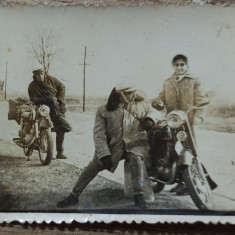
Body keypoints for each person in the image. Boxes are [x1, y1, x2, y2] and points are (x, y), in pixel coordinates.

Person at [57, 84, 162, 209]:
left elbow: (154, 112)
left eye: (134, 92)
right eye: (130, 93)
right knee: (92, 167)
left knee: (136, 160)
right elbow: (99, 134)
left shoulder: (141, 105)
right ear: (121, 94)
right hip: (113, 147)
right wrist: (104, 154)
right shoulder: (104, 110)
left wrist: (150, 119)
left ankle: (139, 198)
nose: (134, 95)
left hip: (135, 144)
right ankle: (74, 195)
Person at [151, 54, 208, 195]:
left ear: (187, 65)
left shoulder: (194, 80)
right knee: (171, 150)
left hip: (188, 123)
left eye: (182, 64)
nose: (179, 67)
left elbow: (201, 101)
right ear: (173, 66)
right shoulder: (167, 82)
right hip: (172, 122)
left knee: (190, 151)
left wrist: (199, 116)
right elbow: (161, 99)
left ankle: (195, 183)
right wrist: (157, 102)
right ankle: (180, 181)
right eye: (176, 65)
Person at [28, 68, 72, 159]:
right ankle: (41, 137)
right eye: (37, 74)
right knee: (61, 127)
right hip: (44, 110)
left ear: (44, 73)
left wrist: (59, 100)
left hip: (58, 108)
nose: (40, 76)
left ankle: (59, 152)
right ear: (34, 76)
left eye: (41, 74)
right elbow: (34, 100)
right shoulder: (32, 86)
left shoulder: (51, 79)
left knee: (64, 128)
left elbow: (62, 87)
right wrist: (48, 99)